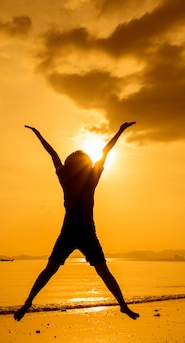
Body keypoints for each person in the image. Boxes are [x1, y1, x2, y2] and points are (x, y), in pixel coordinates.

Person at [14, 122, 139, 321]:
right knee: (58, 270)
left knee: (94, 271)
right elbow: (102, 151)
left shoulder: (73, 176)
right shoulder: (88, 176)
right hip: (76, 231)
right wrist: (120, 131)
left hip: (79, 232)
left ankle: (123, 306)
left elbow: (54, 154)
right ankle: (27, 304)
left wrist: (120, 131)